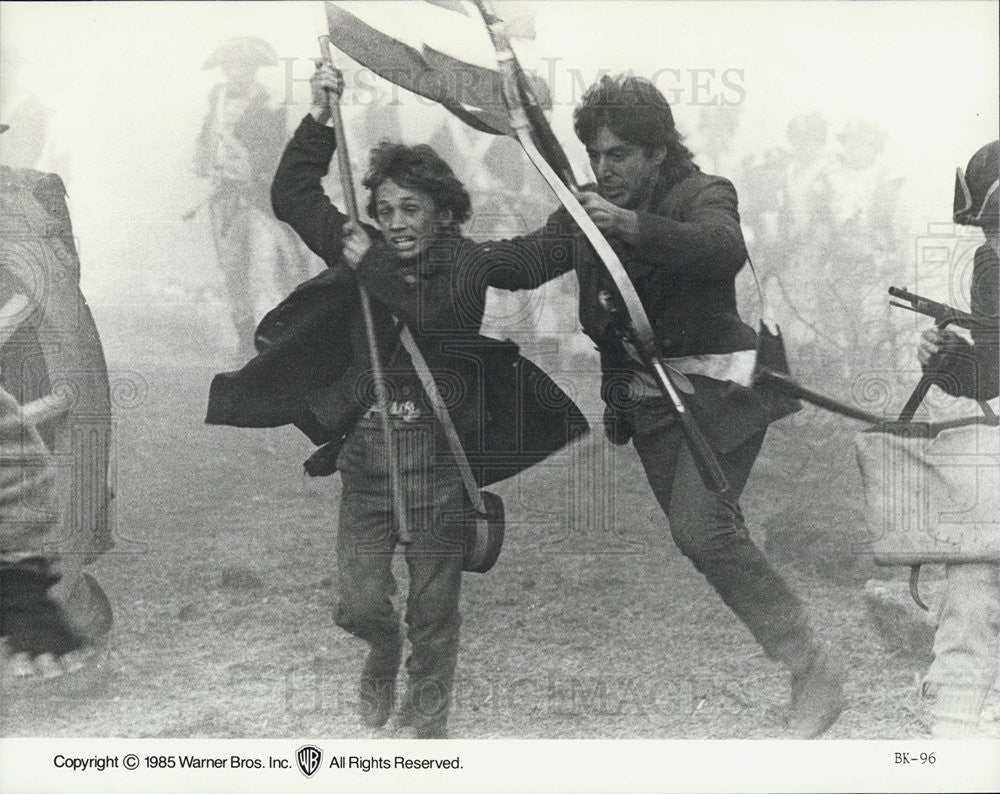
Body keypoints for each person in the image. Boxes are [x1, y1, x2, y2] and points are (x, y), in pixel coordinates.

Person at [518, 74, 846, 738]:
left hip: (725, 392)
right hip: (650, 409)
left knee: (702, 530)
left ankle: (813, 665)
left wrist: (631, 226)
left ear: (658, 150)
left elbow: (722, 249)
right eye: (597, 156)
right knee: (705, 539)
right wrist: (412, 253)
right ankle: (806, 662)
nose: (604, 170)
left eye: (621, 155)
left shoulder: (702, 193)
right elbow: (514, 264)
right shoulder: (587, 211)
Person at [265, 64, 580, 739]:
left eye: (411, 210)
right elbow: (292, 194)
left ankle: (429, 725)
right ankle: (380, 650)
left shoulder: (465, 264)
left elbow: (545, 247)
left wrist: (543, 140)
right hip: (367, 466)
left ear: (443, 211)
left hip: (440, 469)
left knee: (433, 614)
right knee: (357, 606)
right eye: (383, 212)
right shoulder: (366, 247)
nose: (395, 223)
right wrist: (321, 114)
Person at [915, 139, 999, 737]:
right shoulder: (990, 269)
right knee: (968, 583)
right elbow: (993, 373)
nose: (993, 243)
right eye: (987, 229)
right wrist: (952, 362)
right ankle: (951, 737)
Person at [194, 36, 319, 360]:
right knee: (232, 267)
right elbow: (206, 138)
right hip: (224, 200)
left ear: (253, 69)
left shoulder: (270, 104)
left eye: (243, 65)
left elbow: (273, 150)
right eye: (231, 65)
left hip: (258, 197)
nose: (236, 72)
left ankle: (278, 338)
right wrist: (206, 160)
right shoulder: (217, 98)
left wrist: (250, 171)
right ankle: (245, 338)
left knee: (265, 265)